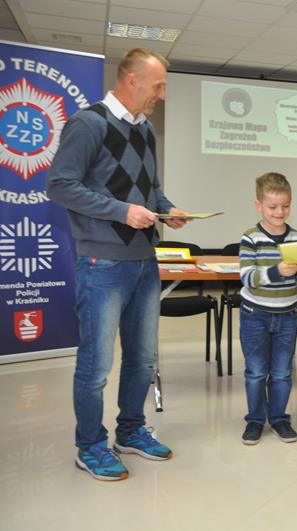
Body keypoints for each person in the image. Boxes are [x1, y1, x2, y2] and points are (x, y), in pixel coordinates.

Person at [47, 48, 188, 481]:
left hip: (145, 260)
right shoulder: (88, 123)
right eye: (158, 86)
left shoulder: (145, 129)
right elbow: (60, 185)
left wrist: (167, 209)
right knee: (96, 365)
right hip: (102, 263)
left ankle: (130, 431)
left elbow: (150, 190)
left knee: (142, 359)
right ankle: (90, 445)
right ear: (131, 81)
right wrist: (122, 212)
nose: (162, 95)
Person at [239, 172, 297, 446]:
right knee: (256, 372)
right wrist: (276, 271)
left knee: (283, 372)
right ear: (258, 205)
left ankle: (279, 418)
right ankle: (255, 420)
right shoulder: (250, 238)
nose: (279, 212)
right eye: (272, 206)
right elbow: (247, 277)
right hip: (254, 315)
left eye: (285, 206)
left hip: (287, 314)